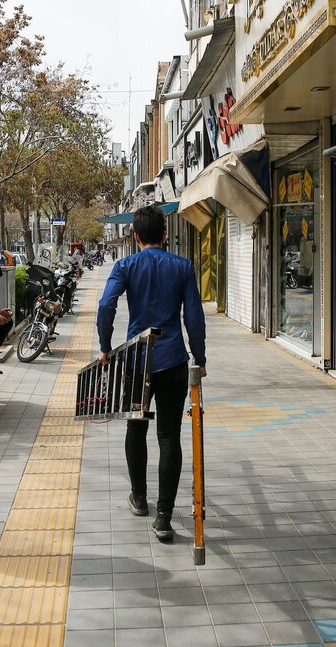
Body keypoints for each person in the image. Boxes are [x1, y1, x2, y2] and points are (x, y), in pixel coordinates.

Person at [96, 203, 206, 542]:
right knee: (170, 437)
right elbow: (194, 319)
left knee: (136, 427)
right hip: (173, 360)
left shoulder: (125, 266)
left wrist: (105, 345)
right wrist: (198, 358)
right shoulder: (184, 266)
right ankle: (164, 518)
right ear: (165, 234)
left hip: (137, 360)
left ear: (134, 236)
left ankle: (139, 498)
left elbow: (105, 305)